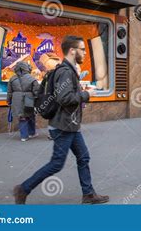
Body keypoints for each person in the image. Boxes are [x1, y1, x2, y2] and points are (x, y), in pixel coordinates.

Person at [13, 35, 109, 205]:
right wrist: (87, 94)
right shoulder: (65, 71)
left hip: (69, 124)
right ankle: (23, 189)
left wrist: (81, 92)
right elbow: (64, 98)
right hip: (63, 125)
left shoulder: (67, 70)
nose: (85, 53)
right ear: (72, 51)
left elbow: (66, 95)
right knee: (57, 163)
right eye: (82, 49)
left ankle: (88, 194)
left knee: (83, 157)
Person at [7, 62, 40, 141]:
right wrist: (37, 100)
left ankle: (23, 136)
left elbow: (9, 92)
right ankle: (32, 133)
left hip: (16, 100)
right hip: (29, 100)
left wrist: (9, 101)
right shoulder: (32, 78)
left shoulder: (12, 79)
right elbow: (36, 91)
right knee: (31, 115)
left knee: (22, 117)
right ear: (26, 68)